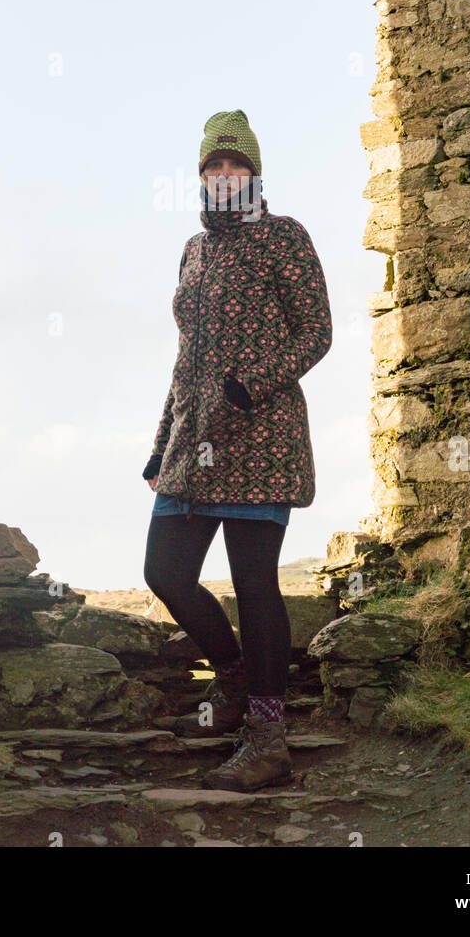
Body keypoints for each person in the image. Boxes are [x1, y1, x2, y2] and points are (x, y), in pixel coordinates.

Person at [142, 109, 332, 791]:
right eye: (212, 166)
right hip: (193, 445)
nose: (224, 176)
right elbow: (187, 356)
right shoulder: (194, 250)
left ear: (254, 173)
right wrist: (165, 438)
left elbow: (317, 332)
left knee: (254, 586)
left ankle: (267, 734)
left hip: (264, 437)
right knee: (164, 570)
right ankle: (232, 677)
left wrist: (251, 387)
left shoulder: (285, 238)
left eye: (235, 165)